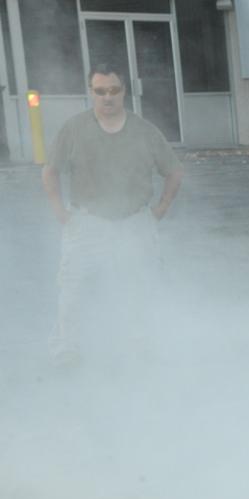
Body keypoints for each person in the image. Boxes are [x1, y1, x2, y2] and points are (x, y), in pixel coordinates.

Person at [42, 62, 183, 365]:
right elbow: (50, 170)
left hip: (135, 223)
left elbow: (173, 171)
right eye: (100, 91)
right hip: (87, 223)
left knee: (140, 285)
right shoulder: (75, 129)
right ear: (91, 92)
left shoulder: (145, 131)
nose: (108, 97)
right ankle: (67, 349)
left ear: (124, 92)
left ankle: (139, 348)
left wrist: (160, 209)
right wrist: (60, 212)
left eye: (114, 90)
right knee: (73, 287)